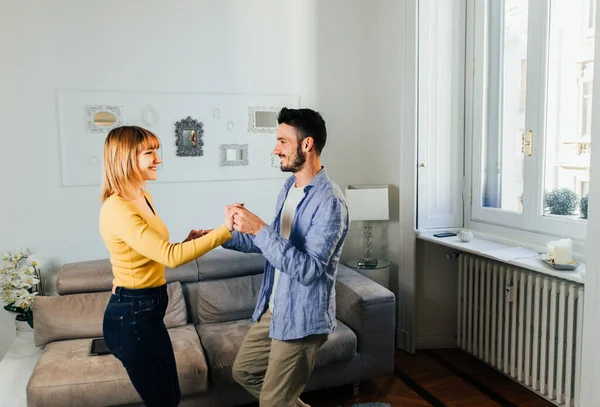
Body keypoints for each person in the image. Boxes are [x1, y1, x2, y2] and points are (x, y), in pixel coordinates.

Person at [98, 126, 235, 407]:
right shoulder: (118, 208)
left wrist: (189, 241)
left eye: (156, 152)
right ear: (125, 158)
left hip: (147, 310)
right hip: (132, 315)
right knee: (163, 402)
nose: (158, 159)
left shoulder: (141, 197)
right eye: (150, 153)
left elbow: (152, 254)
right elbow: (170, 257)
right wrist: (225, 230)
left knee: (170, 397)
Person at [224, 108, 349, 407]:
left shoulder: (330, 202)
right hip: (276, 307)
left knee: (272, 402)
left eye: (282, 141)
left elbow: (308, 269)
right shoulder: (289, 188)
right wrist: (219, 235)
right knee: (244, 371)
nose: (275, 148)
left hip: (302, 319)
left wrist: (261, 229)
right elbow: (271, 247)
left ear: (306, 144)